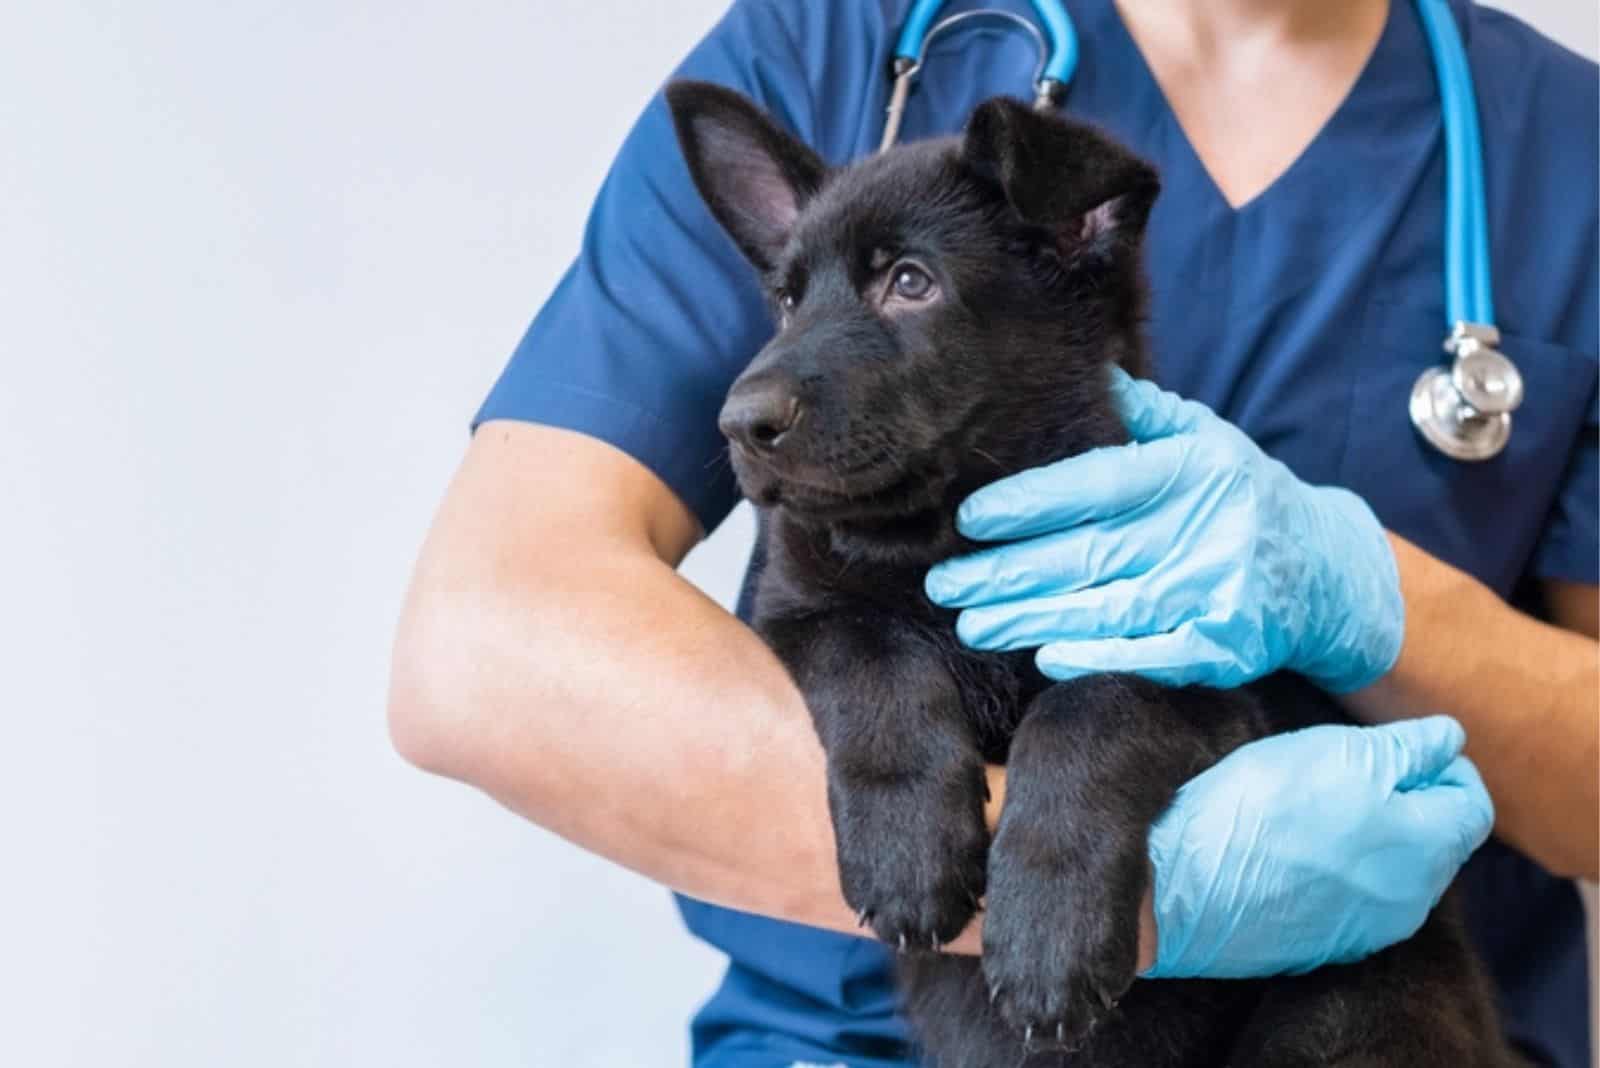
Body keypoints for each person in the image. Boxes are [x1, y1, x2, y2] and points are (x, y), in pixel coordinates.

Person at [387, 0, 1598, 1064]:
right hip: (853, 1042)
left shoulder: (1562, 149)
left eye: (902, 283)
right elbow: (479, 648)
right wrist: (1105, 884)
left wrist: (1368, 594)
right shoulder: (836, 40)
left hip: (1351, 1021)